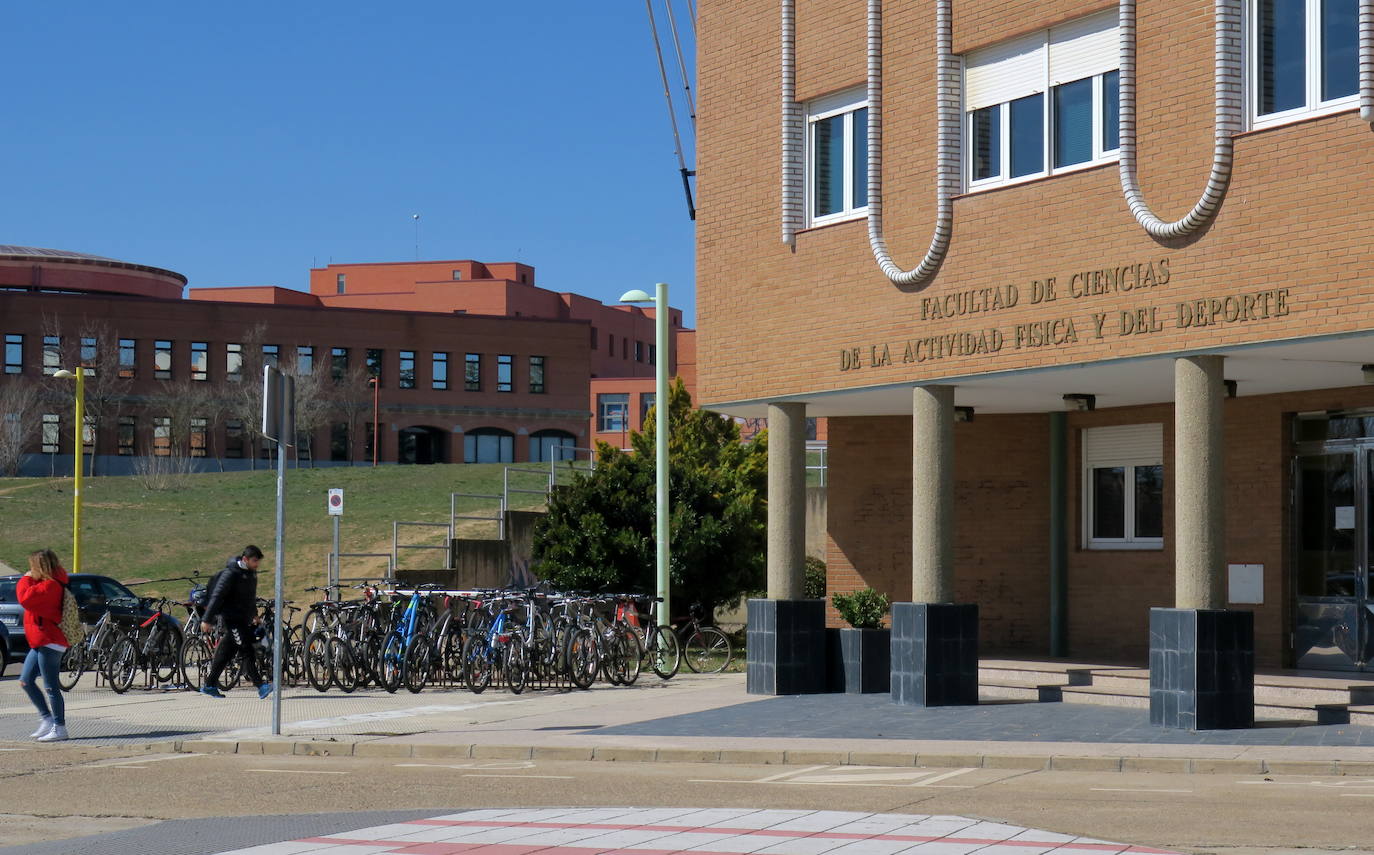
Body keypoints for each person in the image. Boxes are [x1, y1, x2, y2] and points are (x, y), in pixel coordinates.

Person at [199, 545, 272, 700]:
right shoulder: (231, 574)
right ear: (245, 559)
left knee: (225, 653)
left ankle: (210, 685)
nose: (257, 564)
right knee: (247, 650)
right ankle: (261, 686)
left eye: (258, 561)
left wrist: (255, 615)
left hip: (243, 619)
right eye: (254, 561)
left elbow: (250, 598)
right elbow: (217, 596)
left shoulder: (251, 574)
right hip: (232, 620)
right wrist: (207, 619)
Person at [17, 549, 71, 742]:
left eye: (32, 566)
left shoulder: (51, 586)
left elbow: (25, 598)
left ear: (41, 566)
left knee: (51, 687)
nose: (29, 570)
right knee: (26, 681)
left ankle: (60, 727)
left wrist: (25, 578)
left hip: (50, 641)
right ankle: (47, 719)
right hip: (40, 641)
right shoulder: (45, 584)